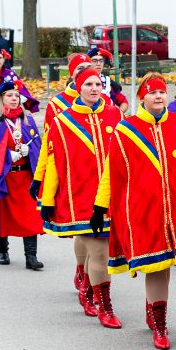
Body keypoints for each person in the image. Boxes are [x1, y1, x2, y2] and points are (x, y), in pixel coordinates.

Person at [92, 73, 176, 350]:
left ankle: (153, 309)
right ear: (142, 97)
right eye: (152, 93)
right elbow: (111, 171)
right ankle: (160, 325)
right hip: (144, 211)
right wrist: (100, 205)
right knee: (155, 265)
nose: (158, 96)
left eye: (161, 92)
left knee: (168, 264)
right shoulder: (127, 130)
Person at [37, 64, 123, 326]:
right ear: (78, 87)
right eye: (88, 84)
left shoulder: (115, 116)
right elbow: (54, 162)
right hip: (80, 198)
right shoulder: (63, 122)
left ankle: (86, 289)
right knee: (99, 253)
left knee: (101, 252)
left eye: (97, 84)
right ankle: (105, 307)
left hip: (111, 197)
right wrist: (47, 198)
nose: (94, 89)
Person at [0, 81, 44, 270]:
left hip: (25, 177)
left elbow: (38, 147)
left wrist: (30, 151)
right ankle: (2, 251)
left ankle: (31, 257)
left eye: (16, 96)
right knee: (1, 216)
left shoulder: (27, 120)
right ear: (1, 98)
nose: (14, 99)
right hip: (3, 177)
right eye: (9, 95)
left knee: (30, 215)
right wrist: (7, 155)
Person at [42, 54, 92, 131]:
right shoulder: (56, 103)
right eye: (80, 68)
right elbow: (49, 134)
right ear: (71, 74)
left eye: (89, 68)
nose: (85, 71)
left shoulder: (104, 100)